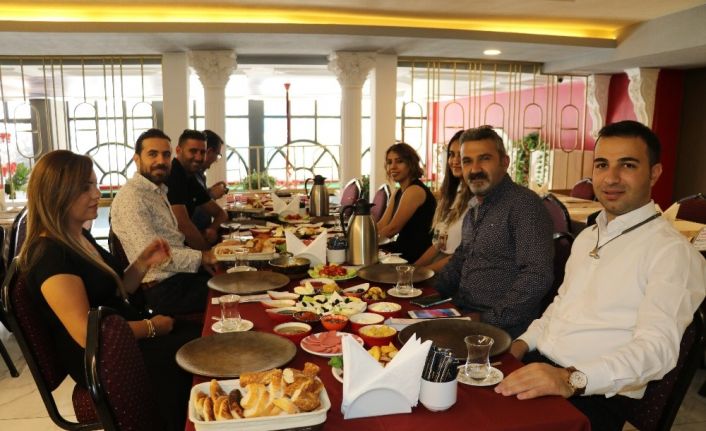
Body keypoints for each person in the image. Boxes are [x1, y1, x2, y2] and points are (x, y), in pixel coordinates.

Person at [495, 120, 706, 430]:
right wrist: (521, 344)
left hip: (594, 394)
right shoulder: (588, 236)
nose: (611, 177)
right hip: (540, 365)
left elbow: (656, 352)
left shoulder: (672, 253)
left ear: (654, 173)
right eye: (602, 164)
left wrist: (570, 379)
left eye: (628, 165)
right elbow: (560, 306)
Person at [19, 150, 200, 431]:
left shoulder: (76, 234)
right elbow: (85, 333)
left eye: (94, 184)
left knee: (202, 338)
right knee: (192, 354)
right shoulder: (49, 256)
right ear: (57, 193)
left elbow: (116, 292)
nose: (97, 193)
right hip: (104, 358)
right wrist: (151, 327)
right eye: (85, 188)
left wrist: (143, 262)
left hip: (123, 337)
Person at [434, 126, 553, 338]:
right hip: (463, 312)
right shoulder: (474, 207)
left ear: (505, 162)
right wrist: (427, 290)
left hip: (502, 330)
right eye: (467, 161)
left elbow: (537, 276)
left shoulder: (524, 205)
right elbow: (460, 259)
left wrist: (486, 320)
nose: (475, 169)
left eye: (485, 159)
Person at [111, 128, 217, 315]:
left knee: (236, 276)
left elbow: (174, 244)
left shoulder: (157, 191)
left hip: (180, 277)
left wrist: (203, 258)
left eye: (166, 155)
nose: (161, 161)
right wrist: (204, 257)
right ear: (137, 159)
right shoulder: (132, 198)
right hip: (164, 289)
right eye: (152, 154)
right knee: (236, 292)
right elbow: (156, 260)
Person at [414, 130, 472, 272]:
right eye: (451, 154)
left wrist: (423, 273)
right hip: (440, 263)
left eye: (461, 155)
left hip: (458, 271)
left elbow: (462, 256)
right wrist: (412, 270)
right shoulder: (452, 195)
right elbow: (437, 245)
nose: (455, 160)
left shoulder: (478, 201)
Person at [165, 129, 228, 250]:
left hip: (183, 246)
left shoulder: (190, 176)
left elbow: (221, 213)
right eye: (193, 151)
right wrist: (207, 253)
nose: (199, 157)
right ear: (178, 150)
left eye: (202, 152)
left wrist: (212, 229)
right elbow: (183, 224)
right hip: (170, 249)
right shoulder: (174, 174)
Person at [376, 142, 437, 263]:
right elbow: (383, 224)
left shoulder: (415, 190)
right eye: (389, 162)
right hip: (401, 248)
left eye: (399, 161)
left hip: (415, 254)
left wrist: (365, 242)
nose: (393, 167)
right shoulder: (398, 192)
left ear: (411, 164)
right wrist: (361, 236)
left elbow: (392, 229)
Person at [191, 129, 229, 231]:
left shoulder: (200, 175)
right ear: (209, 151)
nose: (216, 160)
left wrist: (210, 191)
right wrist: (211, 195)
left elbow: (197, 198)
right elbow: (191, 214)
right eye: (217, 155)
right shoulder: (189, 175)